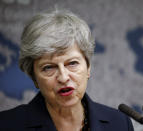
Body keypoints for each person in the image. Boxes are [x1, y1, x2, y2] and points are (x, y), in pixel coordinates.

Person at [0, 9, 134, 131]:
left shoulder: (119, 123)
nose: (63, 77)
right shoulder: (7, 125)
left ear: (88, 68)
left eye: (72, 63)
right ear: (34, 77)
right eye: (48, 67)